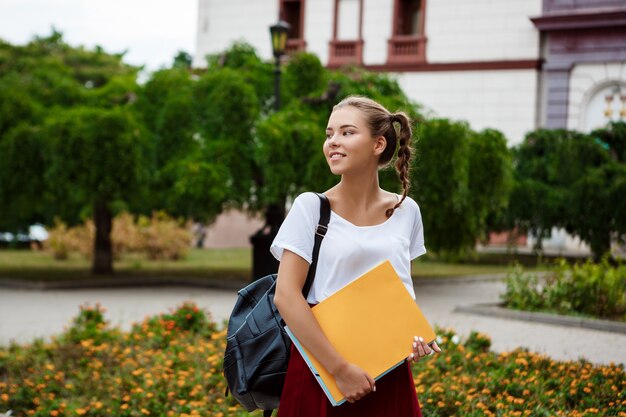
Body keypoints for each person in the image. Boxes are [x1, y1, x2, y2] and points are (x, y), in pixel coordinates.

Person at [270, 95, 442, 416]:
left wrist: (412, 339)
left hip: (386, 372)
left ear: (378, 144)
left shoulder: (407, 211)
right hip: (321, 370)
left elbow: (400, 293)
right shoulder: (311, 207)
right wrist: (340, 369)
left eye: (346, 132)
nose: (333, 142)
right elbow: (286, 297)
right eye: (329, 134)